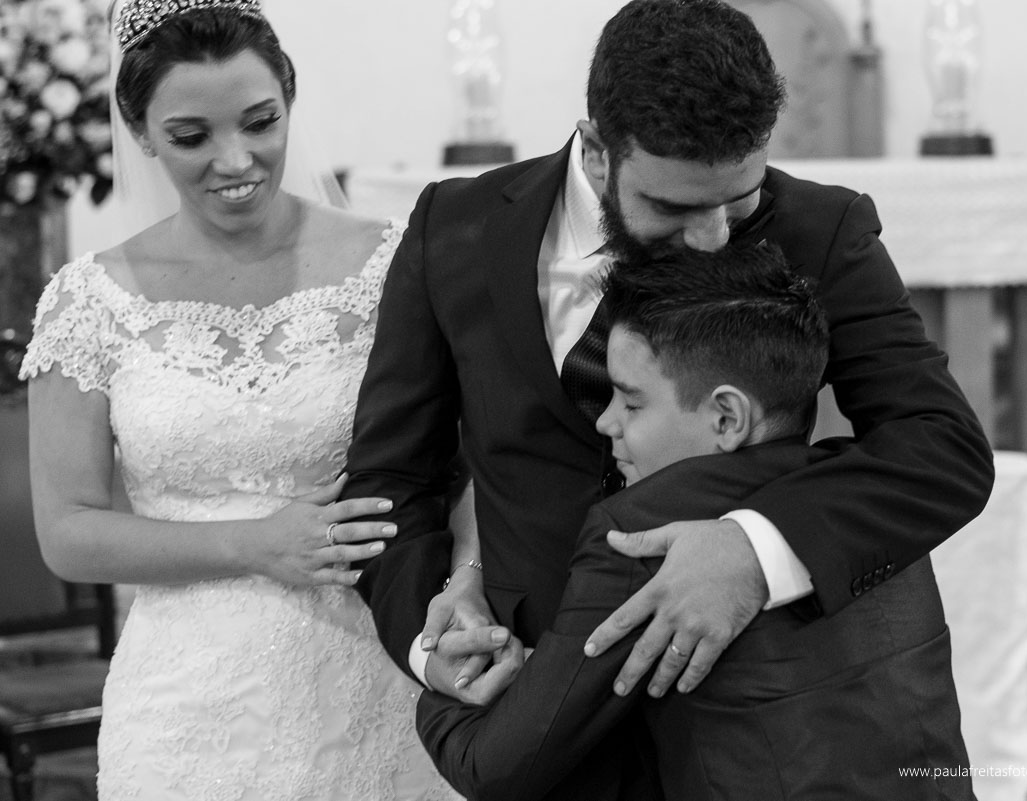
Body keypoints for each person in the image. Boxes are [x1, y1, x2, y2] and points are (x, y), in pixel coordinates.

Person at [345, 0, 994, 794]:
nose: (716, 235)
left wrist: (754, 549)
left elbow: (941, 447)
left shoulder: (821, 229)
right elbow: (389, 485)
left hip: (757, 730)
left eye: (739, 199)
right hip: (542, 718)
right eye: (676, 208)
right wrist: (428, 640)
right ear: (595, 151)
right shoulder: (458, 227)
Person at [20, 1, 464, 798]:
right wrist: (257, 543)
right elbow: (67, 532)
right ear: (141, 129)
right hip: (187, 700)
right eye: (193, 137)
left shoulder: (396, 261)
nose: (237, 160)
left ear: (290, 97)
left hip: (374, 665)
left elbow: (466, 462)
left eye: (261, 121)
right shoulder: (89, 300)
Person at [414, 243, 975, 801]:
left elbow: (496, 769)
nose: (605, 422)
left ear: (726, 416)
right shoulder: (875, 500)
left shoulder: (641, 532)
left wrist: (441, 683)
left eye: (631, 403)